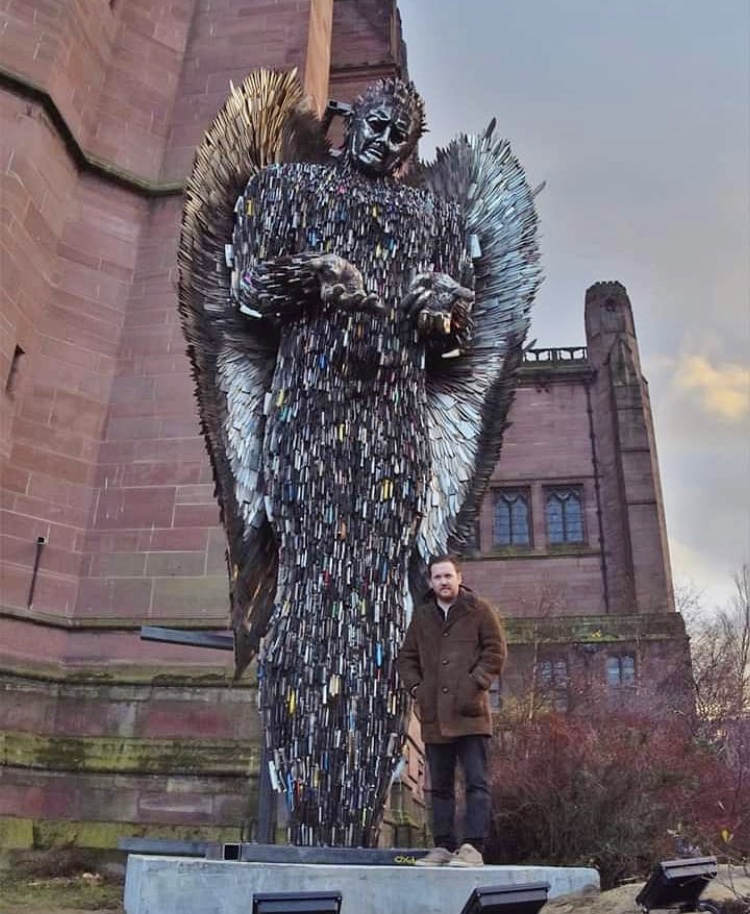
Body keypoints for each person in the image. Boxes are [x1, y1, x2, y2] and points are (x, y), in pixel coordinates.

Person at [398, 555, 507, 866]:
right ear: (431, 581)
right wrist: (418, 689)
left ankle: (473, 847)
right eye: (437, 577)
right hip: (435, 717)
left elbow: (496, 650)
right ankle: (443, 846)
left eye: (448, 576)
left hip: (470, 714)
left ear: (459, 576)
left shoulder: (479, 610)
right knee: (439, 787)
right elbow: (406, 658)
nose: (443, 582)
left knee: (477, 782)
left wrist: (475, 684)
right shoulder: (421, 617)